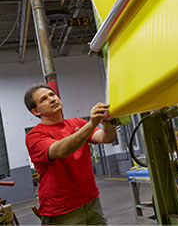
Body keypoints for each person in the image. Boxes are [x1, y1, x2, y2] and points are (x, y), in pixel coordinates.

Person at [24, 83, 116, 225]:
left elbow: (106, 138)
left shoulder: (77, 123)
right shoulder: (35, 136)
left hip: (91, 201)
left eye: (52, 95)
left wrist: (107, 124)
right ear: (36, 111)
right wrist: (91, 124)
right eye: (44, 99)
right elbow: (60, 150)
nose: (52, 99)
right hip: (62, 210)